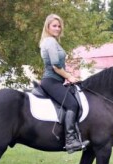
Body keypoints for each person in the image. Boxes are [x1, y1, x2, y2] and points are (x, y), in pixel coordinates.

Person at [39, 14, 89, 154]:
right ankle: (71, 141)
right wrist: (69, 77)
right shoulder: (49, 42)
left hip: (56, 81)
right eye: (54, 25)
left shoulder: (53, 42)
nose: (57, 28)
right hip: (51, 81)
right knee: (72, 104)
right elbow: (55, 66)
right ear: (47, 27)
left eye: (59, 26)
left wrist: (69, 76)